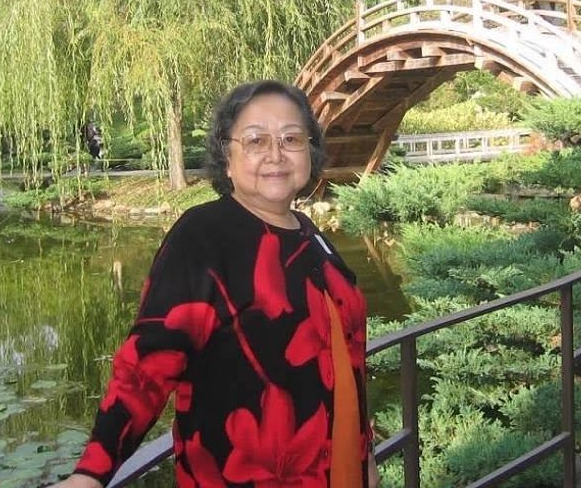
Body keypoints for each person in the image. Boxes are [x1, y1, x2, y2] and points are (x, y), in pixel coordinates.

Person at [51, 80, 380, 488]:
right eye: (256, 140)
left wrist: (362, 451)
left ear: (309, 151)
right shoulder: (203, 237)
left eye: (291, 138)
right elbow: (149, 363)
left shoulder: (310, 234)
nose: (275, 154)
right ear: (227, 158)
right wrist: (91, 473)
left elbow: (342, 354)